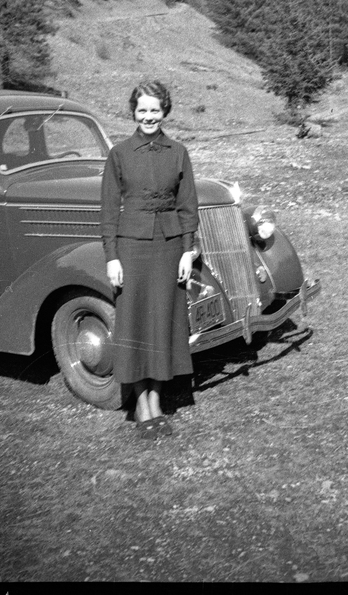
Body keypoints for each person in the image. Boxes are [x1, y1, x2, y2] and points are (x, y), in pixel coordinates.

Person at [100, 81, 199, 439]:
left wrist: (188, 248)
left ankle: (156, 400)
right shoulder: (120, 153)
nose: (148, 117)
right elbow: (109, 211)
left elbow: (188, 205)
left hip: (170, 249)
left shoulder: (178, 151)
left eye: (155, 110)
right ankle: (142, 406)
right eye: (142, 110)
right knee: (138, 325)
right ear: (133, 112)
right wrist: (112, 257)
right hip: (132, 249)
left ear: (165, 111)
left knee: (163, 326)